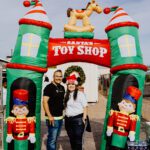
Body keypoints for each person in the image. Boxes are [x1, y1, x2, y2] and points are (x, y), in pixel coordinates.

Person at [64, 74, 88, 150]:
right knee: (71, 139)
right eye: (69, 84)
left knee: (78, 140)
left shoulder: (80, 94)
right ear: (67, 85)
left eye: (72, 84)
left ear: (76, 85)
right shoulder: (66, 94)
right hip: (68, 120)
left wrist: (84, 118)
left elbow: (85, 106)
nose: (71, 86)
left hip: (78, 120)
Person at [43, 70, 65, 150]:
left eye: (60, 76)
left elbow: (61, 101)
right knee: (52, 139)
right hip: (52, 118)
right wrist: (49, 115)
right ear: (53, 77)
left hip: (60, 117)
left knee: (55, 138)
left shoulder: (62, 87)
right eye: (57, 76)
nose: (58, 78)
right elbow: (45, 102)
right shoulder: (49, 87)